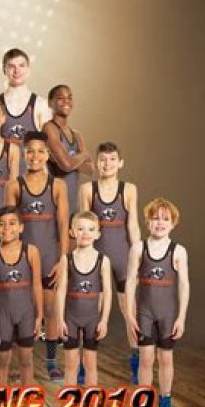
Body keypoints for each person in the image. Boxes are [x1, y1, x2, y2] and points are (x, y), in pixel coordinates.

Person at [5, 131, 69, 382]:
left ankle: (52, 362)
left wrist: (63, 259)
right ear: (24, 154)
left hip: (50, 256)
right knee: (20, 312)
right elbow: (9, 225)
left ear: (48, 154)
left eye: (40, 151)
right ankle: (20, 365)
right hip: (22, 258)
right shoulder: (14, 185)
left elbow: (63, 224)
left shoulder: (58, 185)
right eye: (30, 151)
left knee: (51, 310)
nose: (35, 156)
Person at [78, 141, 141, 382]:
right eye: (103, 159)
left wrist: (139, 256)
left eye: (112, 159)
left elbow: (132, 225)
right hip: (97, 259)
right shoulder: (87, 189)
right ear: (96, 163)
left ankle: (136, 362)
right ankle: (84, 363)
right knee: (90, 311)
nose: (107, 164)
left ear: (120, 163)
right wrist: (82, 259)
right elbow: (83, 226)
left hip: (123, 258)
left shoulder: (129, 189)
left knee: (130, 311)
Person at [125, 198, 189, 407]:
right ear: (147, 222)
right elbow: (130, 281)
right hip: (144, 313)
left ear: (173, 223)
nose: (160, 222)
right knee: (145, 358)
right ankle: (143, 403)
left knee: (166, 359)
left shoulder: (178, 251)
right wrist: (129, 314)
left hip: (167, 315)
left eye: (165, 219)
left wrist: (181, 317)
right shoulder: (138, 248)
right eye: (155, 218)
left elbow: (184, 285)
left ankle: (166, 402)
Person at [0, 206, 43, 388]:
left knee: (26, 359)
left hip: (26, 315)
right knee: (2, 360)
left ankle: (26, 398)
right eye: (1, 224)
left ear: (21, 227)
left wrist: (39, 316)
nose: (6, 228)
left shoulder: (31, 252)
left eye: (12, 223)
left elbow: (37, 285)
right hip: (3, 316)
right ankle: (0, 399)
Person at [56, 211, 112, 386]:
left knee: (90, 364)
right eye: (80, 229)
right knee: (71, 364)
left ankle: (91, 399)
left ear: (98, 234)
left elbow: (107, 292)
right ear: (72, 232)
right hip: (71, 319)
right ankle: (70, 399)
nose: (85, 233)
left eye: (91, 229)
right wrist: (59, 320)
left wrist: (104, 321)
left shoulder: (103, 260)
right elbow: (61, 291)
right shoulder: (66, 259)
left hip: (92, 320)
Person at [0, 48, 52, 173]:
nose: (17, 71)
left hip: (33, 175)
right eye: (11, 66)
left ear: (28, 70)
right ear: (4, 70)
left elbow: (49, 147)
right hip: (5, 174)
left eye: (21, 66)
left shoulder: (41, 104)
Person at [43, 85, 93, 214]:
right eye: (60, 98)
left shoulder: (77, 135)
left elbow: (90, 169)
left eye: (69, 98)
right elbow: (66, 165)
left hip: (72, 203)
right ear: (50, 103)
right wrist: (83, 155)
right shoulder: (49, 128)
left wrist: (70, 160)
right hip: (53, 204)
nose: (66, 101)